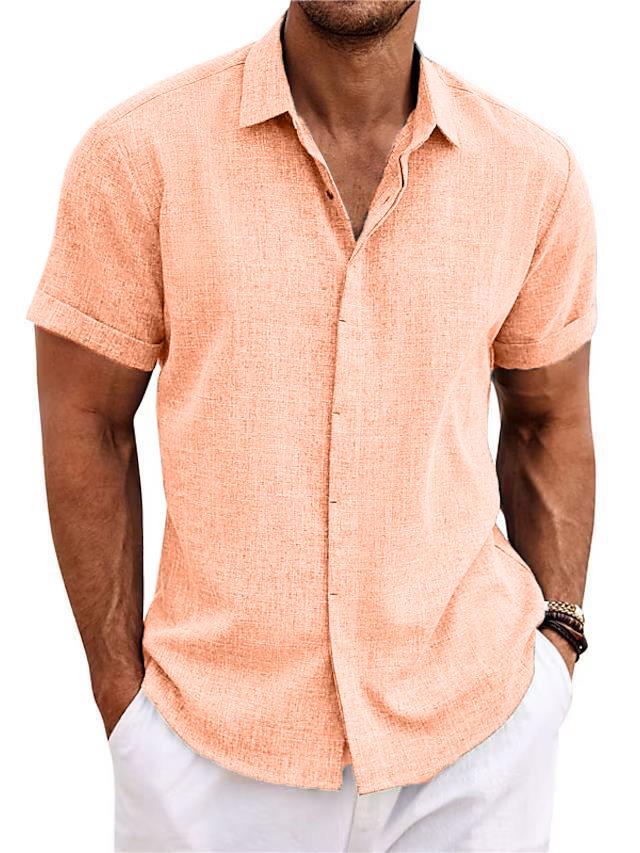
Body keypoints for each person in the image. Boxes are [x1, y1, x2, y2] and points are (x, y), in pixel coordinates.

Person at [27, 1, 596, 850]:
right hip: (209, 756)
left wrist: (558, 648)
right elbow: (87, 418)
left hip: (477, 748)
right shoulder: (140, 154)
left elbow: (549, 420)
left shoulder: (532, 173)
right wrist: (123, 704)